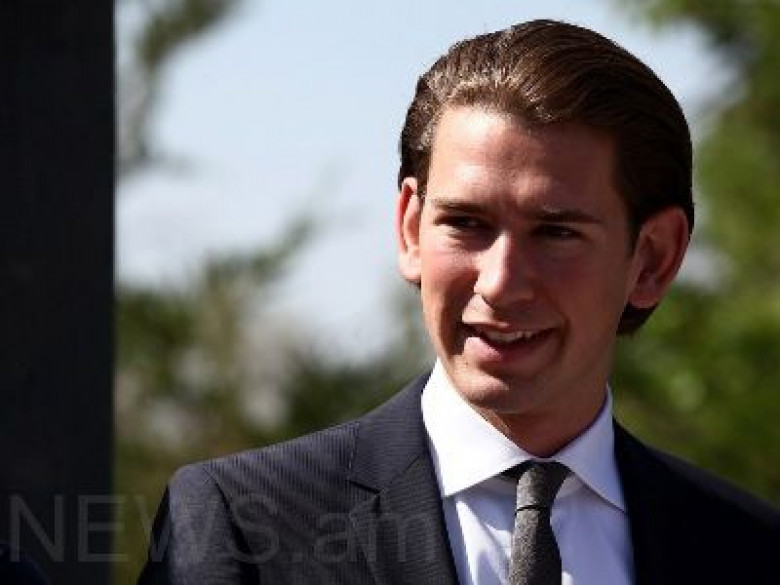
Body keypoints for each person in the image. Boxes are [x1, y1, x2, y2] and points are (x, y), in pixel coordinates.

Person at [138, 19, 780, 585]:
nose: (500, 282)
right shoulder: (244, 523)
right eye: (466, 223)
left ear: (654, 259)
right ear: (410, 230)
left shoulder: (749, 550)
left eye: (555, 232)